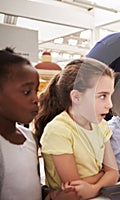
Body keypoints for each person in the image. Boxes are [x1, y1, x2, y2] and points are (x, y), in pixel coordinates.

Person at [0, 47, 79, 200]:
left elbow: (32, 187)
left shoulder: (29, 137)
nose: (36, 99)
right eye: (26, 92)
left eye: (35, 91)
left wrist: (51, 195)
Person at [34, 58, 119, 199]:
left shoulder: (101, 125)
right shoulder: (58, 130)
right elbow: (74, 188)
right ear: (76, 97)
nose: (110, 104)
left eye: (110, 95)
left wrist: (94, 188)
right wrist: (104, 175)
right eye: (102, 96)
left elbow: (114, 173)